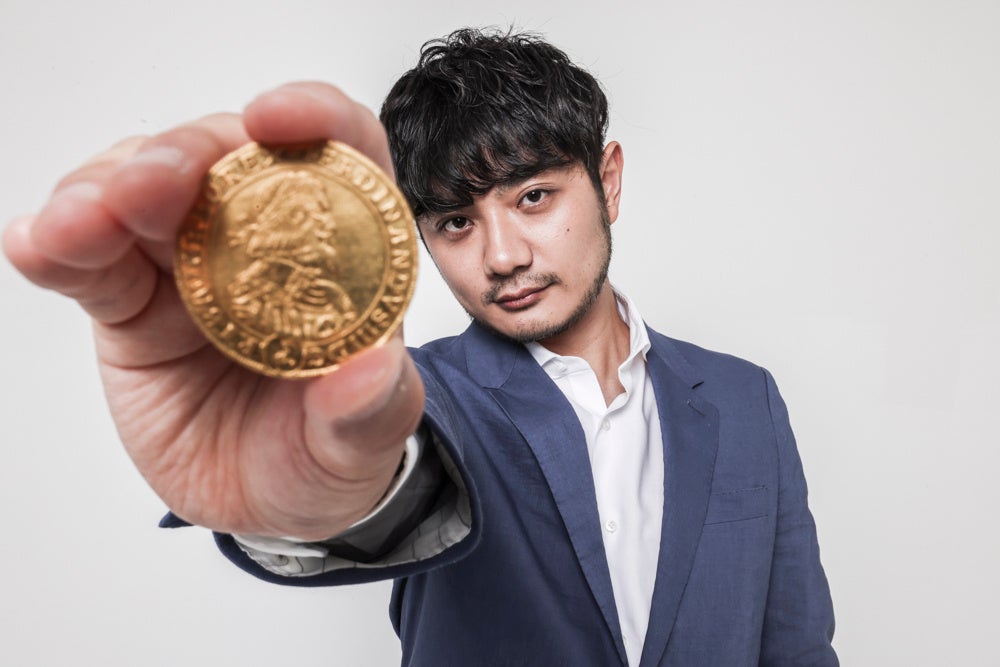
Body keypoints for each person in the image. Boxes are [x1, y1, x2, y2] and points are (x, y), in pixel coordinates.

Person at [4, 28, 837, 666]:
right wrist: (310, 491)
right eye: (456, 221)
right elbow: (388, 482)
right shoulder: (420, 396)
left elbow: (798, 650)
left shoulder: (745, 399)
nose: (502, 255)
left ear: (607, 179)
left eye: (535, 197)